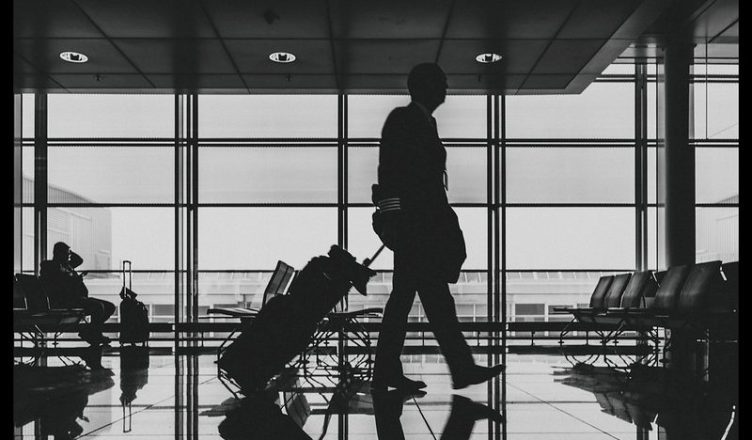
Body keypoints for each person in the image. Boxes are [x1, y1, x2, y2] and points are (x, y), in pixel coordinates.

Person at [372, 62, 504, 391]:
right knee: (424, 301)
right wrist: (394, 221)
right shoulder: (405, 120)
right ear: (425, 87)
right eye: (442, 83)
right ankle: (459, 369)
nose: (446, 88)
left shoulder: (423, 122)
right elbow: (389, 176)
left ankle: (393, 371)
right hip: (416, 231)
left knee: (411, 300)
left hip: (420, 230)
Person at [40, 242, 115, 346]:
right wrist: (74, 280)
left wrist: (69, 252)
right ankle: (95, 334)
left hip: (78, 298)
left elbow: (79, 260)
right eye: (67, 253)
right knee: (98, 307)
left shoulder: (67, 265)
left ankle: (89, 330)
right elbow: (59, 284)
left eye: (69, 254)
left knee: (110, 307)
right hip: (67, 300)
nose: (69, 256)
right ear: (59, 254)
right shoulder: (53, 266)